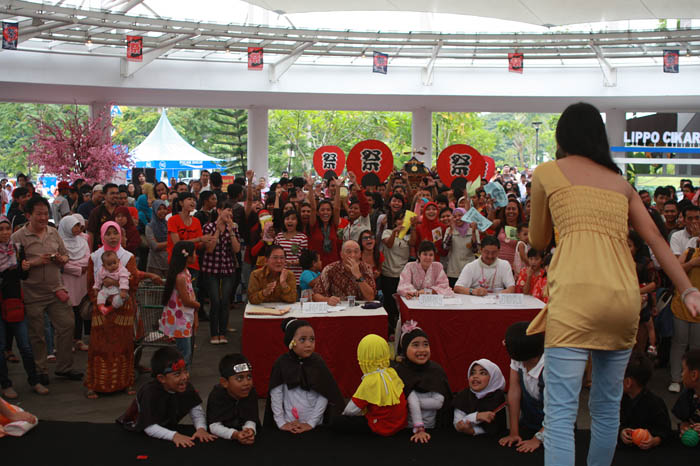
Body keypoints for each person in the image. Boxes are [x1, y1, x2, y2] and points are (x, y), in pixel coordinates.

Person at [526, 102, 700, 466]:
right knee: (606, 409)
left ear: (562, 136)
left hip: (575, 297)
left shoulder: (547, 172)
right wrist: (688, 289)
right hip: (623, 299)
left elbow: (539, 240)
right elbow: (655, 238)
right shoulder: (621, 184)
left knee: (559, 414)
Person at [11, 196, 82, 386]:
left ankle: (64, 367)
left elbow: (66, 256)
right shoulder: (18, 237)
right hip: (32, 293)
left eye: (45, 213)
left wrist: (61, 259)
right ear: (28, 215)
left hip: (56, 290)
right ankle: (40, 371)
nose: (43, 218)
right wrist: (34, 263)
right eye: (39, 214)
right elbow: (14, 266)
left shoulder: (53, 232)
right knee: (37, 334)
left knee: (67, 325)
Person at [85, 221, 159, 399]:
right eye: (108, 233)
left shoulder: (128, 257)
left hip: (123, 308)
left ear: (120, 235)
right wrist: (98, 301)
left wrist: (116, 283)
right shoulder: (94, 257)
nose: (112, 237)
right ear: (102, 235)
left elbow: (133, 281)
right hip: (101, 309)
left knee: (123, 345)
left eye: (115, 233)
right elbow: (89, 284)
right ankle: (94, 385)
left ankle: (125, 382)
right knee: (98, 346)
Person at [117, 347, 216, 447]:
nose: (184, 377)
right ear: (161, 378)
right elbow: (149, 427)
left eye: (185, 371)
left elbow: (196, 410)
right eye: (177, 374)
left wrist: (201, 428)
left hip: (166, 426)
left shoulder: (186, 387)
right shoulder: (149, 392)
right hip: (139, 431)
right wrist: (174, 436)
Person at [265, 318, 344, 433]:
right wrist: (281, 422)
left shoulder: (318, 362)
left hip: (315, 424)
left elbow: (324, 394)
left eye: (312, 339)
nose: (309, 344)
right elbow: (276, 393)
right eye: (302, 339)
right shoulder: (281, 363)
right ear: (291, 343)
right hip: (289, 422)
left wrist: (311, 422)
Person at [0, 216, 48, 398]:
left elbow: (23, 276)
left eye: (7, 228)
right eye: (1, 229)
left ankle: (34, 380)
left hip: (14, 302)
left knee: (25, 345)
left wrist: (24, 268)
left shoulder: (16, 249)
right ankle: (5, 384)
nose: (5, 232)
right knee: (1, 346)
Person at [335, 334, 407, 436]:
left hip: (382, 427)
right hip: (400, 425)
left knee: (338, 421)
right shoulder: (392, 373)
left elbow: (350, 410)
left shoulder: (370, 381)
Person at [392, 320, 451, 443]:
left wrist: (412, 401)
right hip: (404, 431)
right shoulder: (398, 372)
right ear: (405, 348)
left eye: (425, 344)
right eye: (415, 345)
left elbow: (441, 402)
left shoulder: (436, 370)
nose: (422, 349)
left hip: (434, 430)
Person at [499, 322, 546, 453]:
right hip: (528, 423)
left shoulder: (549, 368)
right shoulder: (518, 359)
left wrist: (537, 439)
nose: (503, 343)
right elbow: (514, 392)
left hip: (555, 427)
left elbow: (557, 409)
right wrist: (514, 432)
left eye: (506, 343)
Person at [201, 201, 241, 344]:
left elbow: (236, 249)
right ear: (219, 211)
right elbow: (209, 249)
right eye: (227, 210)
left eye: (231, 211)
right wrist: (217, 231)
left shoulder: (234, 228)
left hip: (228, 269)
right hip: (211, 269)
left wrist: (230, 231)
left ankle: (222, 333)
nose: (230, 214)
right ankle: (214, 333)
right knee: (215, 301)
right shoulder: (208, 227)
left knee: (225, 301)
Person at [160, 241, 199, 370]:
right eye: (194, 253)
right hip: (180, 321)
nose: (196, 256)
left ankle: (179, 376)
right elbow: (186, 300)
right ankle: (178, 376)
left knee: (184, 351)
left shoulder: (185, 273)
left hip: (183, 318)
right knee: (184, 353)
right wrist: (197, 304)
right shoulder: (181, 277)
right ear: (187, 257)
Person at [619, 353, 671, 449]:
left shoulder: (655, 403)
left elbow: (665, 430)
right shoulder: (619, 399)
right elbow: (613, 422)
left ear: (628, 382)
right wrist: (621, 432)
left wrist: (654, 441)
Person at [669, 239, 700, 392]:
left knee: (697, 347)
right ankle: (676, 378)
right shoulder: (690, 252)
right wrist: (692, 263)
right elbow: (675, 270)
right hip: (682, 307)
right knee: (679, 344)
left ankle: (695, 382)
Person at [207, 353, 259, 444]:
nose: (246, 383)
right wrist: (235, 434)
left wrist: (249, 430)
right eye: (239, 378)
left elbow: (251, 417)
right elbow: (214, 425)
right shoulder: (217, 395)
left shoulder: (251, 391)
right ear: (224, 382)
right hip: (222, 440)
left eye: (249, 377)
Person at [58, 215, 91, 353]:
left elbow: (87, 259)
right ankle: (67, 341)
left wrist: (76, 265)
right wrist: (78, 268)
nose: (78, 229)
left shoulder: (82, 241)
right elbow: (61, 263)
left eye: (79, 226)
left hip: (80, 282)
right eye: (75, 226)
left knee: (78, 311)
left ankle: (77, 339)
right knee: (67, 311)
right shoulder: (60, 243)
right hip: (67, 280)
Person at [381, 210, 417, 335]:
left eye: (404, 219)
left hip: (403, 277)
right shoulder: (387, 232)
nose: (402, 221)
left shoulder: (408, 236)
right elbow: (389, 244)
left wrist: (413, 227)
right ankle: (390, 331)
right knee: (389, 305)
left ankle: (403, 332)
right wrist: (395, 232)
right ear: (395, 221)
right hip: (388, 274)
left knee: (402, 305)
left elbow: (413, 243)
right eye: (399, 219)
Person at [453, 359, 507, 437]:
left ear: (493, 378)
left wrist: (473, 430)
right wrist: (477, 416)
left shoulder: (497, 397)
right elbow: (458, 424)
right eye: (472, 373)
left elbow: (496, 429)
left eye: (482, 373)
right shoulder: (463, 394)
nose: (475, 376)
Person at [312, 240, 376, 305]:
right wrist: (327, 300)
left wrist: (358, 276)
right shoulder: (330, 269)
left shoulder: (366, 268)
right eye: (348, 252)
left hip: (360, 309)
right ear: (341, 255)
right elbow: (316, 295)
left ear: (360, 255)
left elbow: (370, 297)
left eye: (356, 252)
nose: (352, 255)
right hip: (337, 309)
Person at [273, 210, 308, 286]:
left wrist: (292, 263)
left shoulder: (302, 238)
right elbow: (274, 255)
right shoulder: (279, 236)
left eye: (293, 219)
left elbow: (305, 259)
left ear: (297, 222)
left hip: (297, 279)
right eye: (287, 218)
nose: (290, 221)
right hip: (280, 277)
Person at [672, 349, 700, 438]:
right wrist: (684, 427)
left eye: (683, 370)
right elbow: (685, 420)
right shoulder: (688, 395)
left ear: (694, 375)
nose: (681, 374)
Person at [93, 250, 130, 315]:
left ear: (118, 261)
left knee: (118, 300)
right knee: (100, 294)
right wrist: (96, 288)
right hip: (106, 289)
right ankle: (101, 307)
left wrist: (123, 290)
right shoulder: (102, 270)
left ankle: (110, 308)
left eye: (114, 263)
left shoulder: (121, 270)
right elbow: (98, 280)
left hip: (118, 290)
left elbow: (124, 280)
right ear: (104, 266)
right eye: (109, 264)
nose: (113, 265)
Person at [87, 183, 119, 251]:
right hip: (101, 249)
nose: (115, 196)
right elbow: (91, 233)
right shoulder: (96, 212)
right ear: (104, 195)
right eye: (112, 193)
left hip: (119, 249)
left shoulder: (122, 210)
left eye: (117, 193)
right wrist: (90, 251)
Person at [145, 200, 168, 277]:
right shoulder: (149, 227)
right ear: (154, 210)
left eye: (164, 208)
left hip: (169, 263)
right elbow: (155, 246)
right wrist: (171, 242)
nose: (162, 211)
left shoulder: (169, 224)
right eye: (159, 209)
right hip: (155, 264)